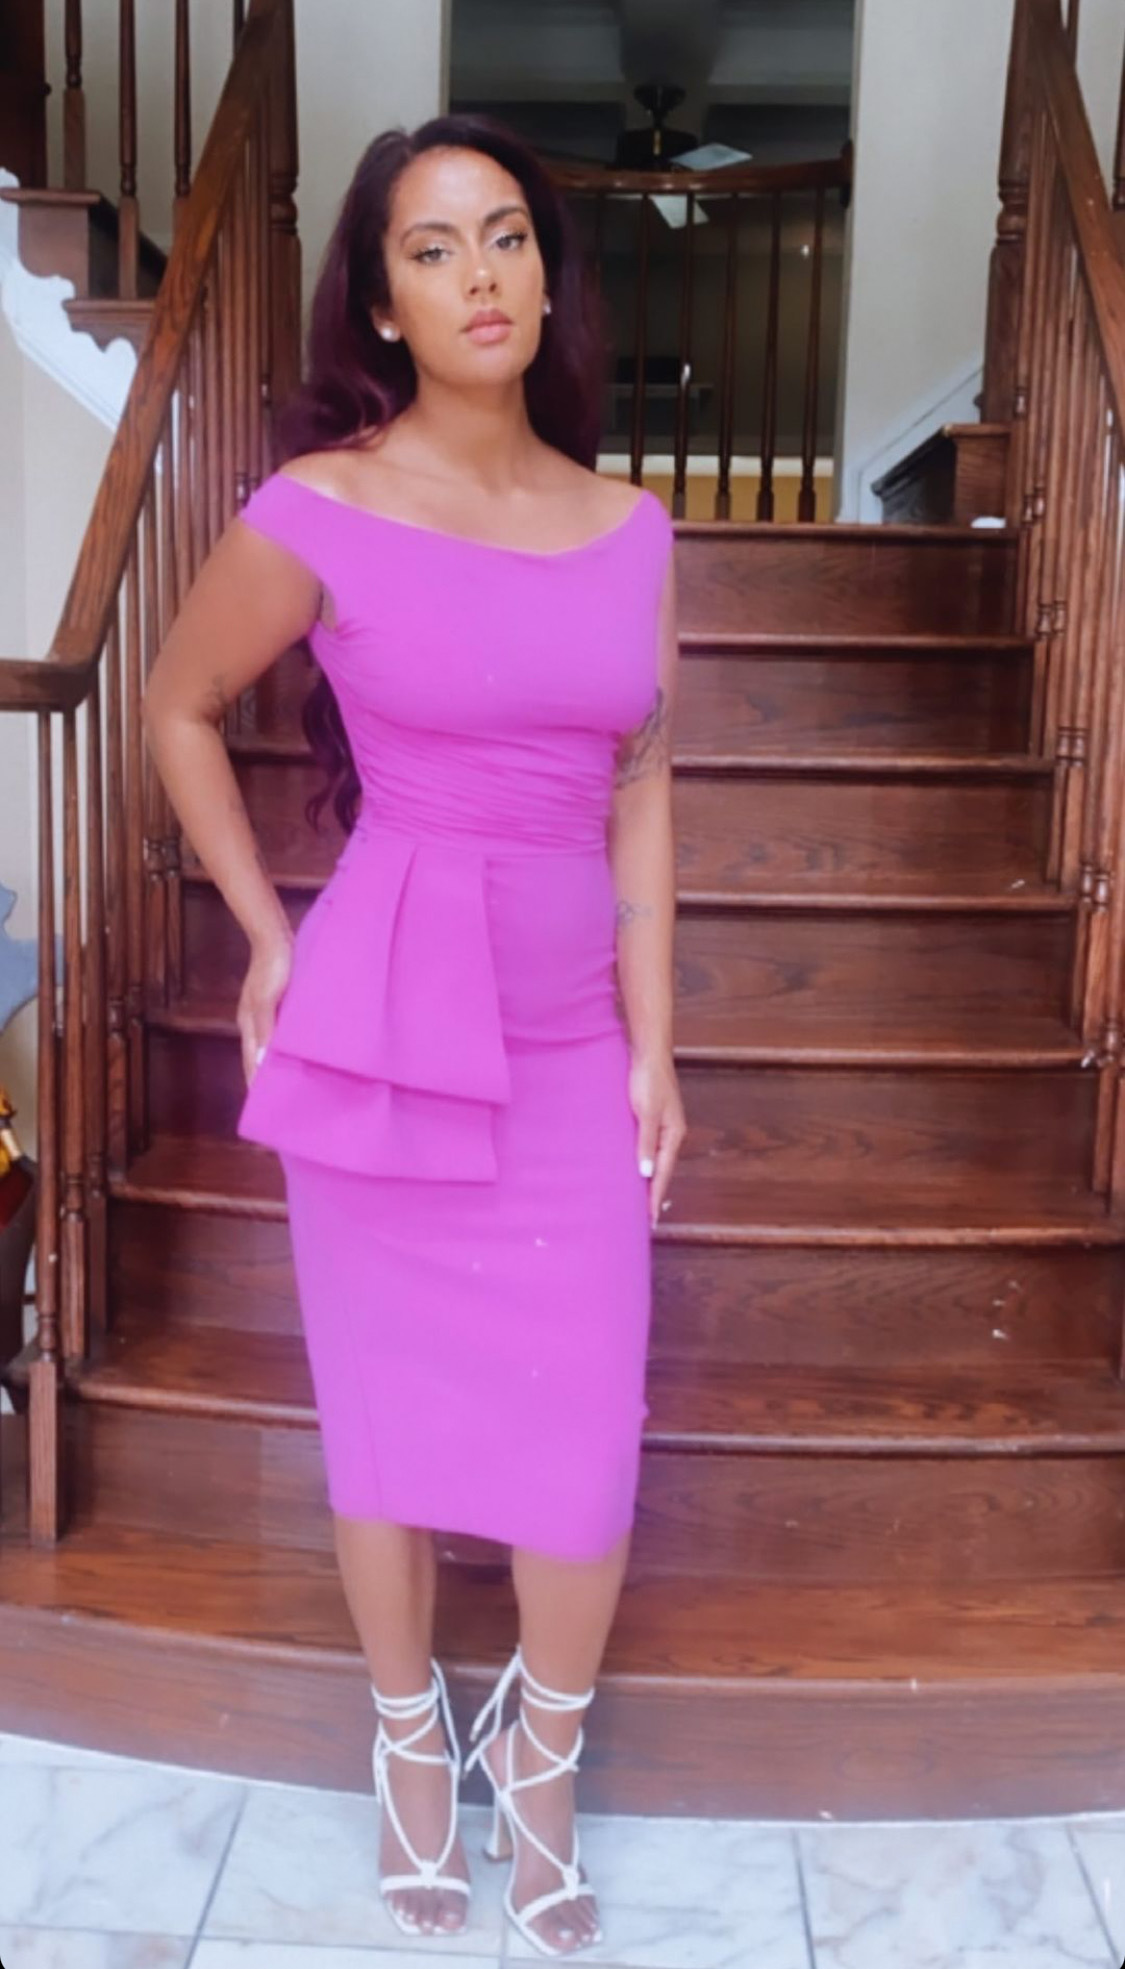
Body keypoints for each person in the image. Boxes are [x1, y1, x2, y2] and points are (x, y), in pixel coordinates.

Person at [142, 112, 685, 1960]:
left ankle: (540, 1753)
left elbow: (641, 783)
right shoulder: (321, 506)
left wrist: (655, 1041)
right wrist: (264, 931)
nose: (479, 275)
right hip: (382, 1015)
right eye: (433, 248)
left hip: (565, 1039)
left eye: (505, 235)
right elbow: (178, 702)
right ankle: (404, 1737)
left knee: (584, 1433)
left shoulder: (629, 529)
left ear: (547, 271)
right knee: (379, 1416)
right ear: (380, 303)